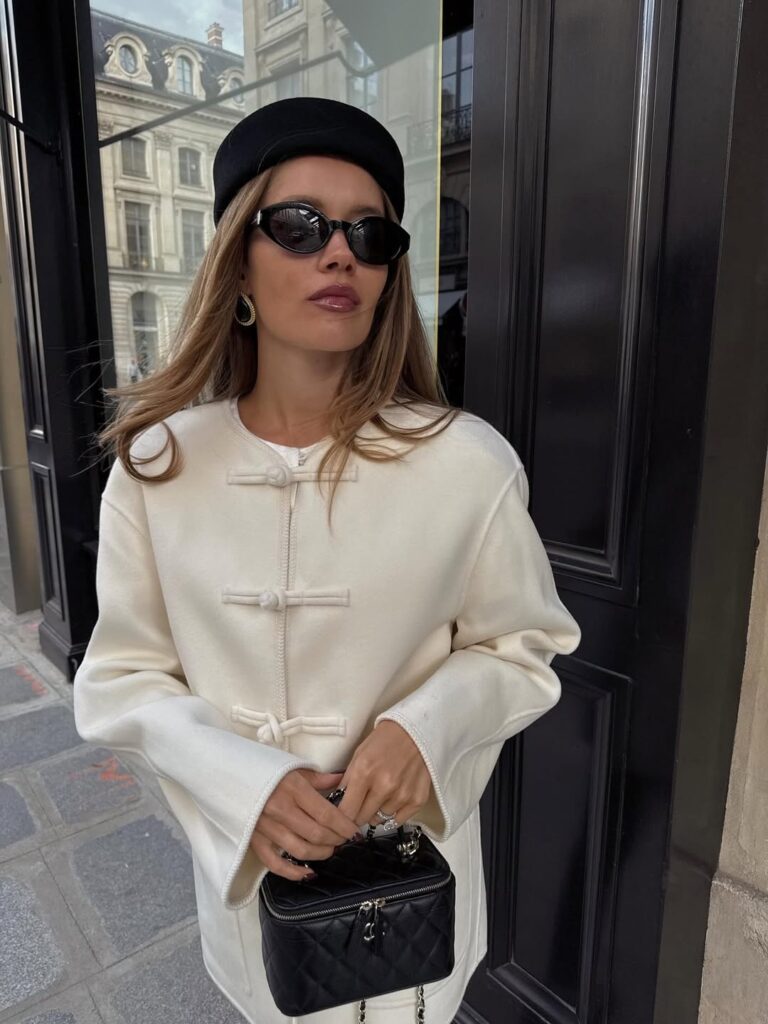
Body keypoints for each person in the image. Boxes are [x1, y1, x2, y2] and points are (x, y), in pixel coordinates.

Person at [72, 96, 582, 1024]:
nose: (339, 253)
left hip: (412, 898)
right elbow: (122, 678)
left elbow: (524, 645)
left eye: (368, 234)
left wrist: (425, 732)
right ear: (238, 262)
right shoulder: (157, 469)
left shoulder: (468, 463)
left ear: (389, 274)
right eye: (300, 226)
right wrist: (245, 787)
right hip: (254, 907)